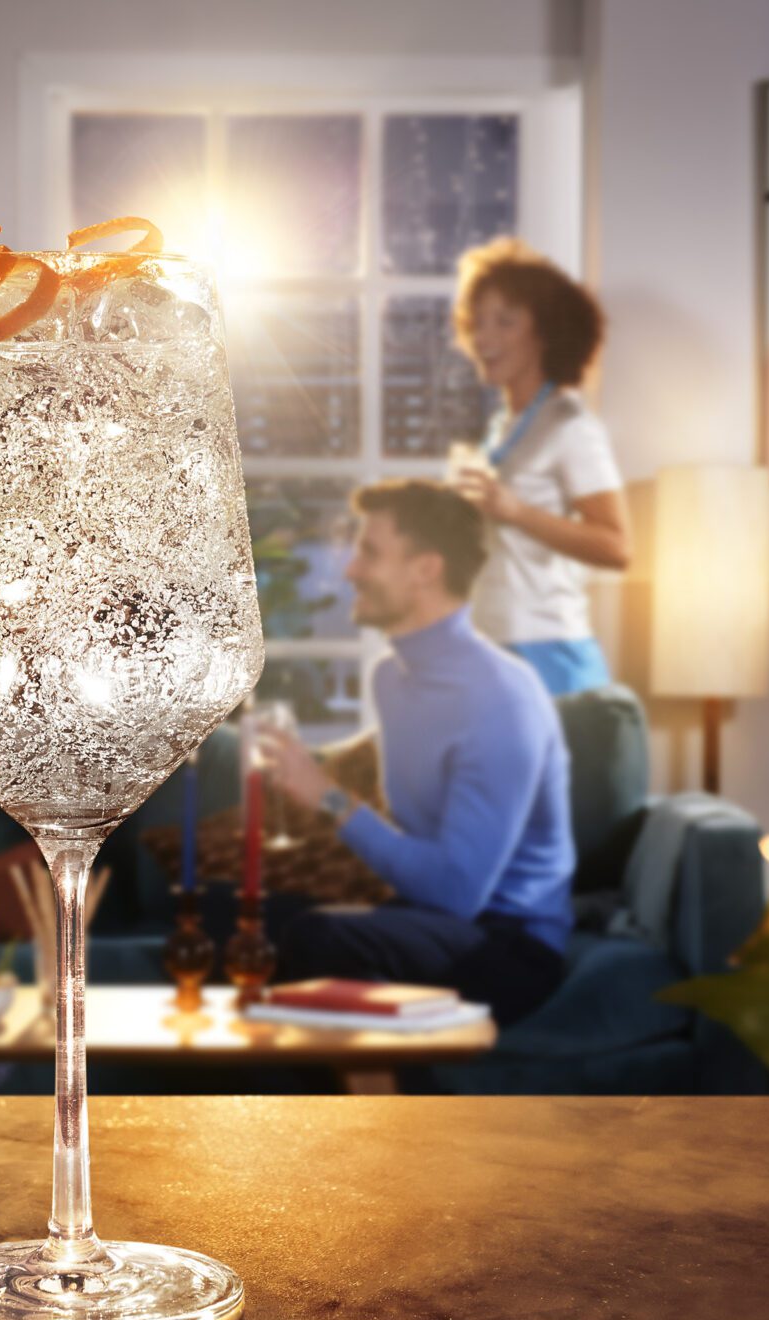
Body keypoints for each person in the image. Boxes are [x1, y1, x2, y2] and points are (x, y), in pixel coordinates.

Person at [255, 480, 573, 1029]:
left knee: (317, 936)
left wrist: (329, 799)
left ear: (426, 569)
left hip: (509, 943)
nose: (350, 570)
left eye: (369, 552)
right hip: (432, 919)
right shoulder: (392, 680)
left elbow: (456, 892)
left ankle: (397, 1106)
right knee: (237, 915)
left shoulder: (501, 699)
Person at [447, 238, 631, 696]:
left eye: (505, 322)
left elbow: (617, 546)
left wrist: (515, 511)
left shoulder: (570, 425)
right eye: (479, 322)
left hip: (548, 650)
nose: (483, 339)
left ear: (545, 331)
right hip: (491, 640)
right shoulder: (500, 428)